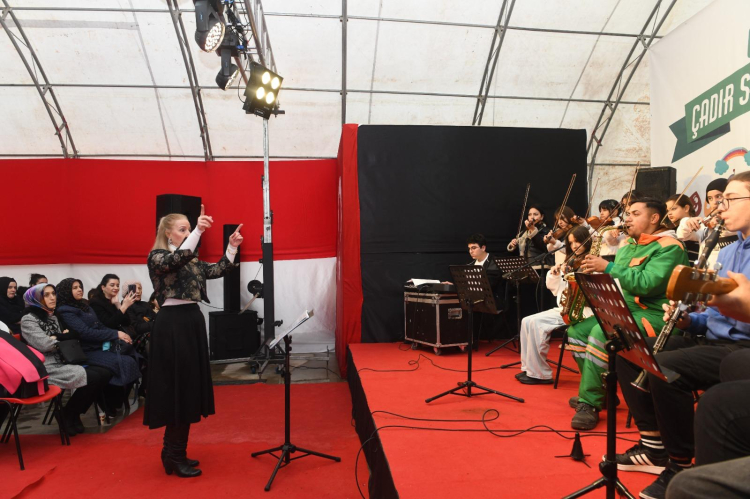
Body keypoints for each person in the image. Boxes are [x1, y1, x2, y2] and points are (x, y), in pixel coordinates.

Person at [611, 171, 750, 499]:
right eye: (719, 200)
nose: (720, 208)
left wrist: (727, 305)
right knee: (629, 348)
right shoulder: (729, 251)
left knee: (665, 368)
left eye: (729, 200)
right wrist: (688, 321)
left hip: (740, 347)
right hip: (713, 340)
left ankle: (679, 463)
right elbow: (711, 318)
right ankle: (653, 445)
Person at [566, 198, 689, 431]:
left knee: (600, 332)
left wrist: (608, 267)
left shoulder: (670, 246)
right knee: (576, 332)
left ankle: (589, 402)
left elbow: (647, 284)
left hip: (658, 316)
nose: (627, 218)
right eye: (627, 213)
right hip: (627, 311)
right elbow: (619, 280)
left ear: (654, 218)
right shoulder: (629, 245)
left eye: (635, 213)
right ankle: (603, 392)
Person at [144, 206, 242, 478]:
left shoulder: (192, 260)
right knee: (178, 387)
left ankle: (173, 452)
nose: (188, 233)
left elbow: (219, 269)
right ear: (168, 234)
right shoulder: (157, 256)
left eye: (189, 228)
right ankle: (174, 455)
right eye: (182, 229)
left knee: (187, 387)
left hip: (190, 321)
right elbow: (176, 259)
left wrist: (231, 247)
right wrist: (198, 230)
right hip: (172, 325)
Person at [20, 283, 112, 436]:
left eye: (53, 293)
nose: (52, 297)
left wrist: (58, 337)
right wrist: (63, 337)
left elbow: (71, 336)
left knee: (104, 373)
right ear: (35, 299)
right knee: (92, 377)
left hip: (65, 360)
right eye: (46, 295)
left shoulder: (53, 316)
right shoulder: (28, 320)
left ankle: (71, 413)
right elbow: (45, 344)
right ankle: (68, 414)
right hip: (47, 367)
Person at [516, 226, 592, 385]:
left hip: (584, 311)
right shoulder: (570, 261)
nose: (574, 246)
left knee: (537, 323)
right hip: (564, 308)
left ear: (587, 241)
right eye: (571, 242)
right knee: (526, 321)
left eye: (578, 241)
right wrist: (555, 274)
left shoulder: (592, 261)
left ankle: (540, 374)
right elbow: (556, 290)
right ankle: (529, 368)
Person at [55, 278, 141, 416]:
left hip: (99, 346)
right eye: (74, 288)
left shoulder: (84, 305)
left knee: (133, 358)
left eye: (80, 286)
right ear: (66, 291)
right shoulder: (65, 310)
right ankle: (108, 402)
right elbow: (85, 333)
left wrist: (119, 335)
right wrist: (115, 334)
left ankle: (114, 401)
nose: (79, 290)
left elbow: (100, 326)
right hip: (84, 350)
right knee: (120, 363)